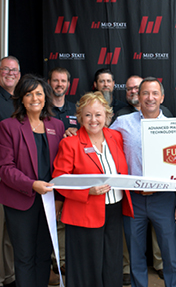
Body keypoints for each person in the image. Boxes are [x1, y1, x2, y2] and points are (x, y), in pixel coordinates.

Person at [110, 77, 176, 287]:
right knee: (136, 254)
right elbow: (101, 140)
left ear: (162, 97)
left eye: (155, 93)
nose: (150, 98)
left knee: (170, 255)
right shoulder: (122, 123)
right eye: (145, 93)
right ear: (138, 96)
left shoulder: (173, 127)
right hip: (133, 199)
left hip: (164, 199)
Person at [52, 91, 134, 287]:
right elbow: (59, 179)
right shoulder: (70, 143)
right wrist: (87, 190)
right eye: (88, 115)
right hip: (84, 212)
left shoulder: (116, 137)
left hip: (114, 209)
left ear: (106, 115)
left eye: (98, 114)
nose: (93, 120)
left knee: (112, 263)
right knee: (87, 265)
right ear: (80, 117)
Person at [0, 74, 64, 287]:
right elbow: (5, 168)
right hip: (21, 200)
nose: (34, 98)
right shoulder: (8, 126)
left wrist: (60, 199)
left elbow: (61, 165)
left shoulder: (57, 125)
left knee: (44, 255)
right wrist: (31, 184)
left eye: (38, 93)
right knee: (25, 257)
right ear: (21, 98)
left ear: (46, 97)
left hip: (49, 201)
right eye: (29, 94)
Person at [47, 66, 79, 281]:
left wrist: (75, 133)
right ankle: (50, 262)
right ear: (49, 83)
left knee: (67, 219)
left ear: (69, 84)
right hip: (45, 172)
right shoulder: (42, 107)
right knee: (49, 220)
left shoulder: (75, 109)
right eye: (56, 81)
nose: (59, 84)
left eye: (63, 81)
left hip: (70, 174)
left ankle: (65, 261)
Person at [0, 56, 20, 287]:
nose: (10, 73)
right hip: (2, 172)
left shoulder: (23, 100)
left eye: (14, 70)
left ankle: (11, 276)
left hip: (20, 175)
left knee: (11, 232)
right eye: (6, 69)